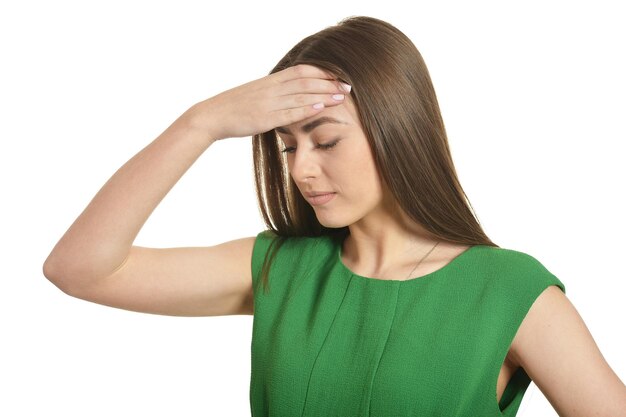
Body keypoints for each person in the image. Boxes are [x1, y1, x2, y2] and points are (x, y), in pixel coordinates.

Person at [43, 15, 625, 417]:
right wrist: (200, 123)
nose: (300, 171)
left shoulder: (509, 290)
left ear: (397, 129)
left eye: (324, 141)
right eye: (288, 147)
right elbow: (79, 268)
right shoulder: (277, 268)